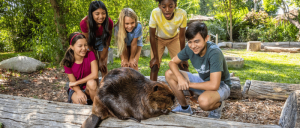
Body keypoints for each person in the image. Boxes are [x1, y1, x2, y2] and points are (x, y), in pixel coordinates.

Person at [165, 22, 232, 119]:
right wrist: (180, 79)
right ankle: (185, 108)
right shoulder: (189, 48)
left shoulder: (214, 53)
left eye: (197, 41)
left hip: (222, 86)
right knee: (169, 74)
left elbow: (214, 85)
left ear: (206, 38)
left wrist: (187, 84)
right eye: (190, 41)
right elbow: (172, 62)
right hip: (203, 81)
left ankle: (218, 106)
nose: (193, 46)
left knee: (204, 102)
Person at [149, 0, 189, 81]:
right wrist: (155, 58)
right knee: (154, 65)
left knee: (182, 65)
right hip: (158, 39)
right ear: (159, 6)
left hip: (174, 38)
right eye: (164, 7)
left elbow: (182, 37)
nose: (167, 9)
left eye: (170, 6)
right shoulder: (155, 13)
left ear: (175, 5)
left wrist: (183, 57)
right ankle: (152, 91)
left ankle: (191, 91)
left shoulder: (182, 14)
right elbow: (152, 36)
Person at [61, 32, 98, 105]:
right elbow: (73, 82)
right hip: (75, 89)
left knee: (92, 83)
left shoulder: (90, 54)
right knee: (80, 102)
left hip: (89, 88)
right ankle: (87, 103)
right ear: (72, 47)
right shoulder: (67, 62)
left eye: (85, 45)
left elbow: (95, 75)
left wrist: (77, 82)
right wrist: (79, 92)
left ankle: (97, 107)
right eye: (80, 46)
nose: (84, 48)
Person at [80, 0, 113, 77]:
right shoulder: (84, 23)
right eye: (97, 14)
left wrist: (101, 60)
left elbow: (107, 43)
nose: (101, 17)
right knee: (94, 67)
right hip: (90, 41)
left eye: (103, 13)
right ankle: (94, 87)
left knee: (103, 66)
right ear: (91, 14)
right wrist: (97, 61)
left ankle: (105, 87)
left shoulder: (109, 22)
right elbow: (88, 43)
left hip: (103, 40)